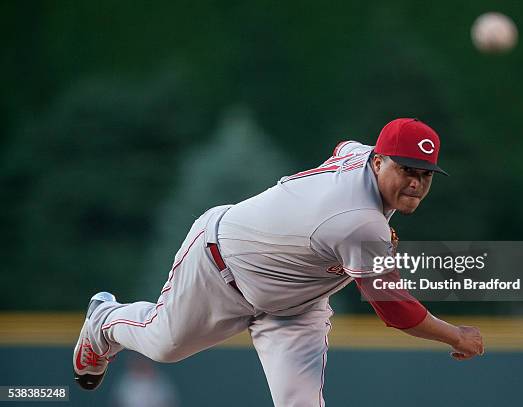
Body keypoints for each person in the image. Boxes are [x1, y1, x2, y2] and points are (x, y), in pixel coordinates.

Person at [73, 118, 484, 406]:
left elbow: (343, 148)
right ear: (378, 161)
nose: (415, 182)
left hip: (297, 306)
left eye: (426, 175)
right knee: (164, 345)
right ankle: (103, 320)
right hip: (220, 268)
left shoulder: (360, 159)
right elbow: (395, 311)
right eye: (406, 169)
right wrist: (455, 335)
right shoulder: (359, 224)